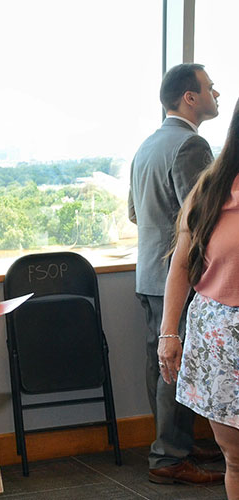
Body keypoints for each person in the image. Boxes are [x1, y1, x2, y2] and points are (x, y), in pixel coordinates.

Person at [128, 62, 225, 485]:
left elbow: (135, 213)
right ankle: (169, 456)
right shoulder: (191, 147)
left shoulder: (147, 144)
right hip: (179, 276)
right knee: (178, 365)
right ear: (190, 97)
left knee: (164, 362)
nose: (217, 94)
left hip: (148, 272)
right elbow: (201, 221)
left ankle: (176, 443)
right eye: (210, 88)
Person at [159, 97, 239, 498]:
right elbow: (180, 267)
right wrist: (168, 333)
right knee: (237, 460)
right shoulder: (210, 190)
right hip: (220, 342)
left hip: (219, 338)